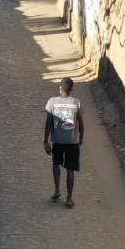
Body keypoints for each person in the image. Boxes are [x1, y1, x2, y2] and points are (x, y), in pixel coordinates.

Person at [43, 77, 85, 207]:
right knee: (70, 169)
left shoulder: (52, 102)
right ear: (71, 89)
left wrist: (46, 140)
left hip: (58, 140)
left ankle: (57, 190)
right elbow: (81, 123)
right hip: (72, 141)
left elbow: (48, 122)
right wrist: (81, 137)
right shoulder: (76, 103)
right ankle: (69, 198)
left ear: (60, 88)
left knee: (56, 164)